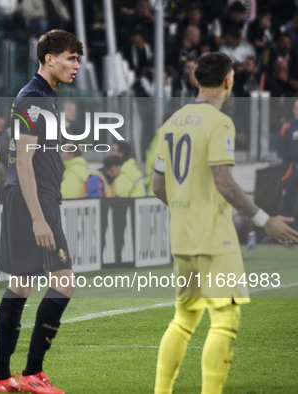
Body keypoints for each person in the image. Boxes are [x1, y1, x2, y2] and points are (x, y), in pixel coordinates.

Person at [152, 52, 298, 394]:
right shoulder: (219, 124)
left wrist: (186, 209)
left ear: (197, 80)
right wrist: (265, 220)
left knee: (184, 320)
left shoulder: (172, 121)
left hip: (182, 237)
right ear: (229, 81)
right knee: (225, 321)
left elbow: (158, 186)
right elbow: (225, 182)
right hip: (214, 239)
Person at [0, 29, 83, 394]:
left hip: (29, 197)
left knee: (20, 285)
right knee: (64, 282)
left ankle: (1, 378)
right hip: (34, 200)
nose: (75, 65)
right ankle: (32, 374)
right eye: (70, 58)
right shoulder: (34, 98)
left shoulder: (42, 96)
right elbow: (23, 164)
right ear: (49, 59)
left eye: (77, 59)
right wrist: (39, 217)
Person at [277, 99, 298, 219]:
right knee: (288, 202)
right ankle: (287, 233)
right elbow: (280, 152)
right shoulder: (287, 127)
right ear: (294, 111)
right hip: (291, 171)